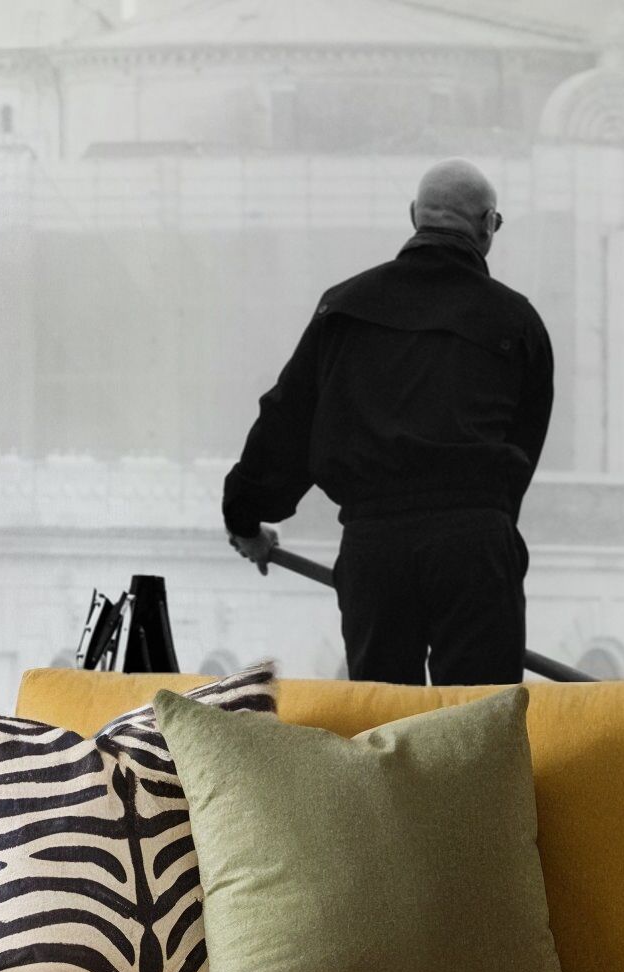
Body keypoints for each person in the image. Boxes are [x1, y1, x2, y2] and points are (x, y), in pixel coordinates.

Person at [223, 160, 553, 685]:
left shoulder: (344, 308)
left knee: (384, 728)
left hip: (376, 547)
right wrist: (486, 530)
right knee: (481, 729)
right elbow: (524, 445)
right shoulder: (517, 320)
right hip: (474, 546)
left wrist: (246, 517)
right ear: (488, 224)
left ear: (413, 216)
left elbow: (287, 420)